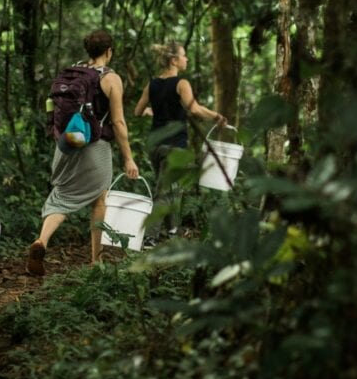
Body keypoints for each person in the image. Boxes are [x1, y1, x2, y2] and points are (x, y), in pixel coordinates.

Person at [27, 29, 139, 274]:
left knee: (62, 195)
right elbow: (118, 123)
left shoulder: (73, 72)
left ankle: (41, 241)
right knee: (99, 198)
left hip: (67, 142)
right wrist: (128, 157)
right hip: (94, 147)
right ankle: (96, 259)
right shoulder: (111, 78)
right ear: (109, 52)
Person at [132, 40, 225, 239]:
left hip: (156, 147)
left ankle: (172, 231)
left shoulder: (152, 84)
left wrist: (151, 111)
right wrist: (216, 116)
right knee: (166, 193)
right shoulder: (181, 83)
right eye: (184, 55)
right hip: (174, 147)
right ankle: (149, 238)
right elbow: (195, 109)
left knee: (168, 190)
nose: (187, 59)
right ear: (174, 60)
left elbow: (138, 111)